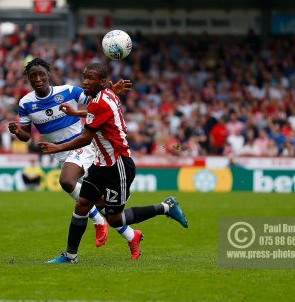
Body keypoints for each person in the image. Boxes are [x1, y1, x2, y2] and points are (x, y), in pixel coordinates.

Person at [39, 63, 188, 263]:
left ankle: (166, 207)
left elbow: (85, 138)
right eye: (84, 77)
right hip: (100, 164)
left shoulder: (101, 101)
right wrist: (76, 114)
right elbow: (94, 113)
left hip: (117, 166)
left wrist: (56, 148)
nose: (85, 81)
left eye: (90, 78)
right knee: (82, 205)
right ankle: (70, 256)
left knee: (115, 218)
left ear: (101, 82)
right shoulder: (104, 96)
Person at [8, 58, 135, 252]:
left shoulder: (67, 91)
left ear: (48, 75)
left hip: (82, 145)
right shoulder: (25, 103)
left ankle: (98, 222)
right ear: (28, 79)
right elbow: (25, 136)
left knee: (67, 182)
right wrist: (17, 130)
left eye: (41, 74)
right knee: (100, 202)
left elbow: (97, 102)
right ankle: (135, 231)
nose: (38, 79)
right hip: (62, 154)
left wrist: (111, 92)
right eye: (33, 76)